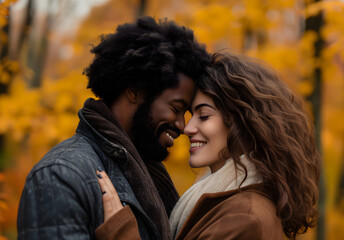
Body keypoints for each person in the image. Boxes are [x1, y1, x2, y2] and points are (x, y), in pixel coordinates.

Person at [17, 16, 210, 240]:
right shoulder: (62, 175)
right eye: (176, 108)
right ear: (135, 90)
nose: (182, 125)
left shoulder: (149, 178)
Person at [95, 52, 320, 240]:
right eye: (191, 115)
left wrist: (120, 231)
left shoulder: (244, 218)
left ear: (244, 125)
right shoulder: (228, 203)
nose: (187, 128)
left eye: (203, 116)